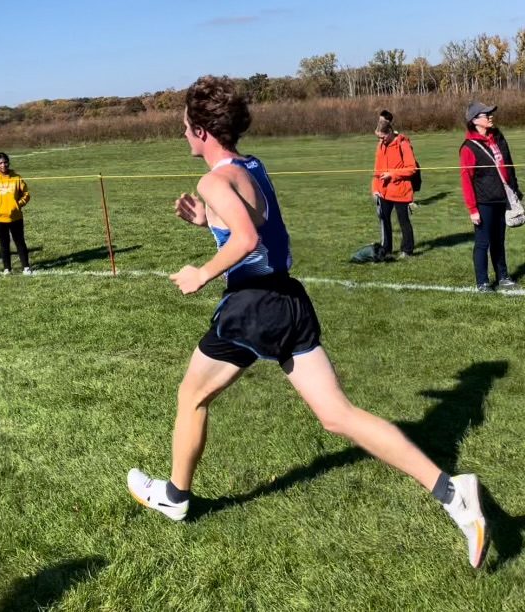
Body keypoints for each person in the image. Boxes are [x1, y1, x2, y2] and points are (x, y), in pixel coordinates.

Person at [127, 76, 489, 569]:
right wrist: (204, 222)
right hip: (289, 300)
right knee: (338, 416)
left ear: (203, 132)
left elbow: (249, 238)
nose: (184, 135)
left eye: (186, 127)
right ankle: (453, 493)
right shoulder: (249, 165)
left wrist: (202, 273)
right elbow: (260, 226)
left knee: (191, 396)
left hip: (252, 307)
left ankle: (175, 496)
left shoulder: (213, 179)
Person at [460, 102, 520, 293]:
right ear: (475, 121)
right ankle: (482, 282)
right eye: (486, 114)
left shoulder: (499, 138)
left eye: (490, 113)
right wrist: (473, 209)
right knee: (482, 243)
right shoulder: (468, 148)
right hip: (484, 202)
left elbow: (509, 167)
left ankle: (503, 276)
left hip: (502, 199)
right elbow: (466, 181)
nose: (490, 116)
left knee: (499, 241)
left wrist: (515, 192)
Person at [372, 111, 416, 259]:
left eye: (383, 137)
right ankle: (387, 249)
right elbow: (377, 169)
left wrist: (392, 174)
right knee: (384, 219)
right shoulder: (380, 145)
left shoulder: (403, 144)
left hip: (400, 190)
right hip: (384, 191)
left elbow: (411, 168)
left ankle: (407, 250)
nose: (381, 141)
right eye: (379, 138)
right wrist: (375, 189)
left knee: (403, 220)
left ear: (390, 132)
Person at [0, 152, 32, 275]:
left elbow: (26, 194)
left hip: (15, 217)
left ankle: (26, 267)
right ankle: (7, 268)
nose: (3, 165)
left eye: (5, 162)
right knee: (4, 244)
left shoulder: (16, 178)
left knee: (19, 241)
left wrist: (18, 204)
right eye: (0, 163)